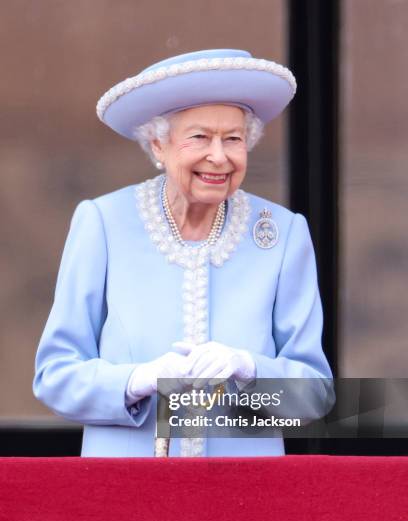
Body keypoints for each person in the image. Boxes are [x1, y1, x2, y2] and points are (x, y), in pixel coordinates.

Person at [33, 49, 332, 457]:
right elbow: (55, 376)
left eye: (233, 139)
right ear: (158, 145)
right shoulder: (103, 222)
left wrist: (250, 369)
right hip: (125, 491)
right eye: (199, 137)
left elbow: (315, 397)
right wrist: (136, 380)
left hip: (247, 494)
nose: (219, 156)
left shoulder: (283, 233)